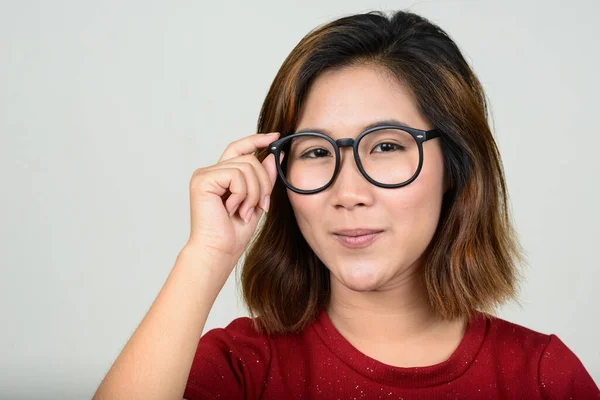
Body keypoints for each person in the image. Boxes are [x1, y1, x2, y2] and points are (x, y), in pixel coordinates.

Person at [93, 9, 600, 399]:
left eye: (384, 146)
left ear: (455, 165)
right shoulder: (243, 367)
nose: (349, 193)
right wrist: (206, 255)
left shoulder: (542, 378)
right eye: (315, 151)